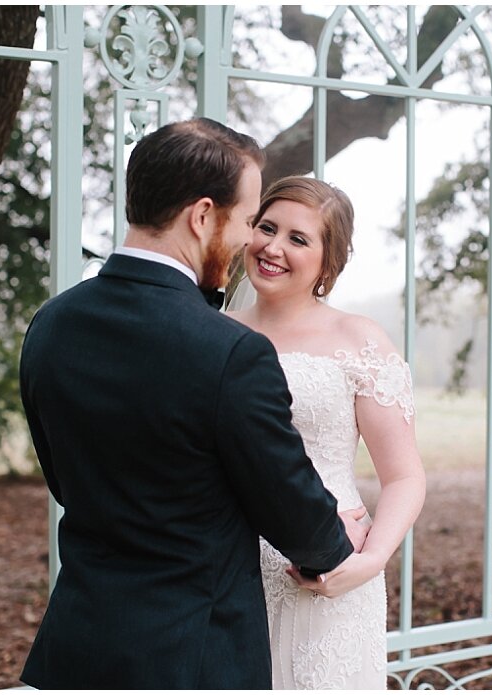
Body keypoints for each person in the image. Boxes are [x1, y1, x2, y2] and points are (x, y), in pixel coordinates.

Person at [18, 118, 369, 689]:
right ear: (204, 216)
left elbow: (65, 481)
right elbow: (291, 512)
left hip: (79, 648)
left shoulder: (51, 324)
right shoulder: (231, 351)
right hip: (193, 656)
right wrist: (334, 538)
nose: (249, 241)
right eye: (249, 220)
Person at [227, 176, 426, 689]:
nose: (273, 247)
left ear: (327, 261)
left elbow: (404, 476)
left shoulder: (357, 339)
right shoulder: (219, 330)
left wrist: (370, 560)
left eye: (298, 238)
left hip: (328, 572)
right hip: (228, 567)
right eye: (266, 228)